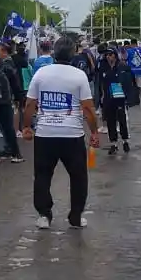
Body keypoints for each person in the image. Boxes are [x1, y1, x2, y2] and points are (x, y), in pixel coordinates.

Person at [21, 36, 99, 230]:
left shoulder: (41, 74)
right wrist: (94, 132)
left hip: (45, 133)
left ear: (54, 52)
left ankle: (44, 215)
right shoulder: (79, 75)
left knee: (42, 175)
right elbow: (88, 109)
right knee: (78, 176)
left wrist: (27, 126)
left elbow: (30, 103)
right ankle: (75, 216)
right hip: (72, 134)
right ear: (73, 54)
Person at [0, 47, 23, 164]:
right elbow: (15, 84)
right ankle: (15, 154)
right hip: (6, 101)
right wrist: (18, 98)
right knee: (9, 128)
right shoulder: (6, 67)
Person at [97, 48, 139, 155]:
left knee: (122, 120)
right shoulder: (103, 67)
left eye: (110, 54)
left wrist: (129, 97)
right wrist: (101, 96)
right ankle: (113, 144)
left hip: (120, 97)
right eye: (107, 55)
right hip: (108, 97)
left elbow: (130, 83)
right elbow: (101, 83)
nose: (108, 56)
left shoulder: (122, 67)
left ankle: (125, 141)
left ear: (115, 55)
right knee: (110, 121)